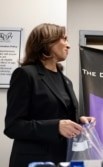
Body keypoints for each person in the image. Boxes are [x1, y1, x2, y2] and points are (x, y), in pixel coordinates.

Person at [4, 23, 96, 167]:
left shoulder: (66, 81)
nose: (68, 45)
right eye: (64, 39)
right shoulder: (25, 75)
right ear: (47, 42)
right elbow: (13, 126)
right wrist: (56, 127)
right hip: (34, 162)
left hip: (64, 159)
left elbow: (58, 115)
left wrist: (79, 122)